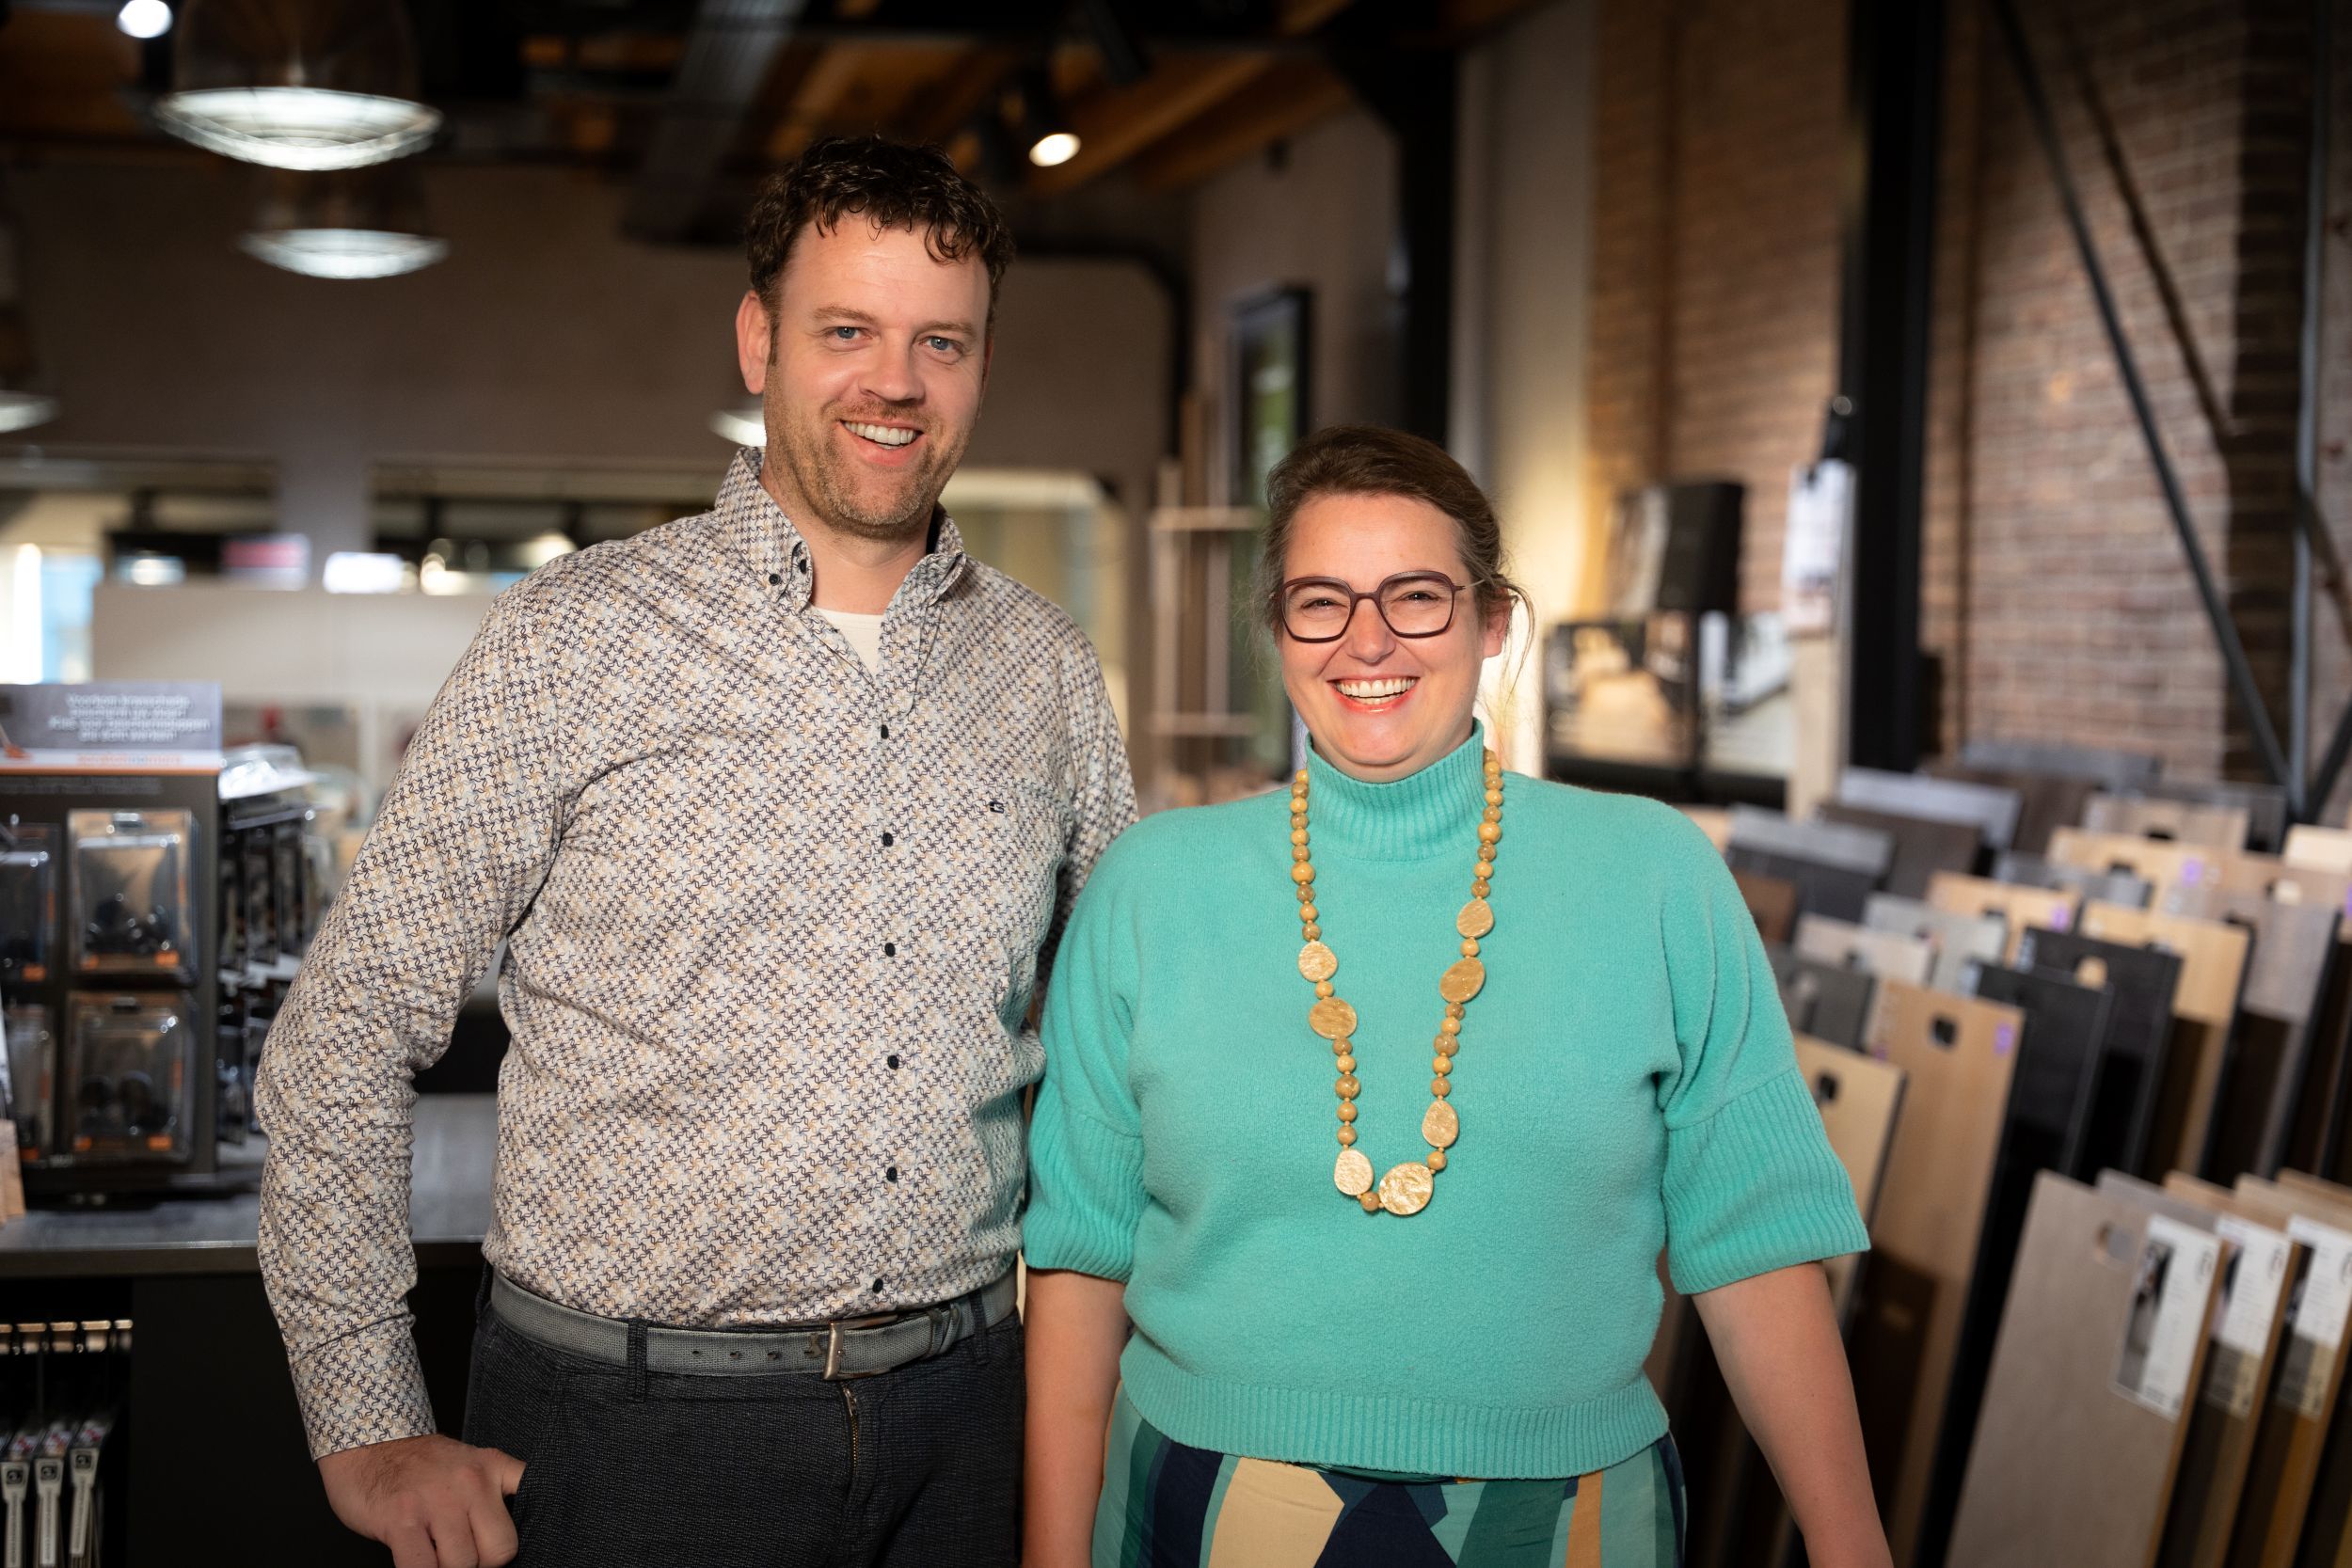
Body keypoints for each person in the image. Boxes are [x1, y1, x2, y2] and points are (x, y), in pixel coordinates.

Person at [255, 135, 1134, 1568]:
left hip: (969, 1421)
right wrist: (366, 1413)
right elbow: (343, 1030)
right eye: (846, 332)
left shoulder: (1044, 672)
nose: (895, 381)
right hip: (629, 1437)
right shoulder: (571, 639)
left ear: (980, 365)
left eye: (941, 341)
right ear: (758, 342)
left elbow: (1122, 1048)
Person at [1022, 424, 1888, 1568]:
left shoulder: (1655, 875)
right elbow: (1079, 1260)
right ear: (1278, 631)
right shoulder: (1151, 887)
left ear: (1491, 621)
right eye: (1321, 601)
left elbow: (1757, 1242)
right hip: (1204, 1503)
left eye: (1416, 596)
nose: (1367, 639)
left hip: (1573, 1516)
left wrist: (1850, 1541)